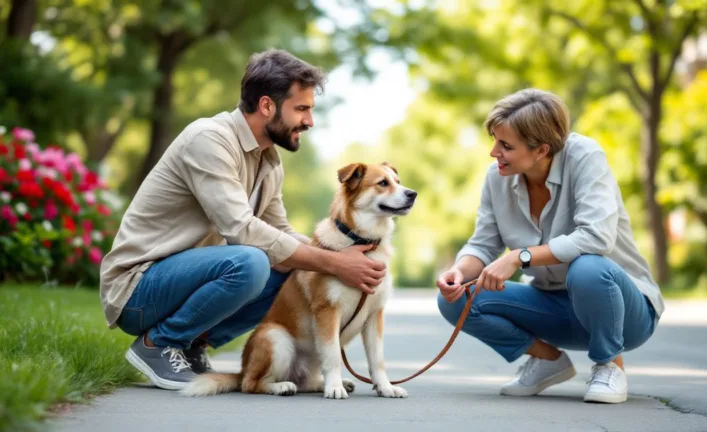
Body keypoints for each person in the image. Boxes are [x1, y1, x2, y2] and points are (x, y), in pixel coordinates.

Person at [99, 49, 387, 391]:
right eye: (302, 109)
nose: (310, 121)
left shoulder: (269, 161)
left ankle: (191, 344)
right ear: (267, 106)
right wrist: (334, 262)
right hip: (139, 289)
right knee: (251, 260)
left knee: (296, 272)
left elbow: (280, 232)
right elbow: (241, 230)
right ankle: (158, 344)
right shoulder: (209, 139)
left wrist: (336, 258)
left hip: (184, 282)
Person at [436, 88, 664, 404]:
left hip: (625, 313)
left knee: (588, 267)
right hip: (556, 308)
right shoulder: (497, 177)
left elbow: (597, 237)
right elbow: (484, 243)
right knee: (454, 300)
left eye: (505, 145)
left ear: (541, 150)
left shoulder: (586, 157)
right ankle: (547, 360)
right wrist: (458, 273)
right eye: (494, 139)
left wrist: (520, 257)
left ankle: (610, 364)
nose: (493, 152)